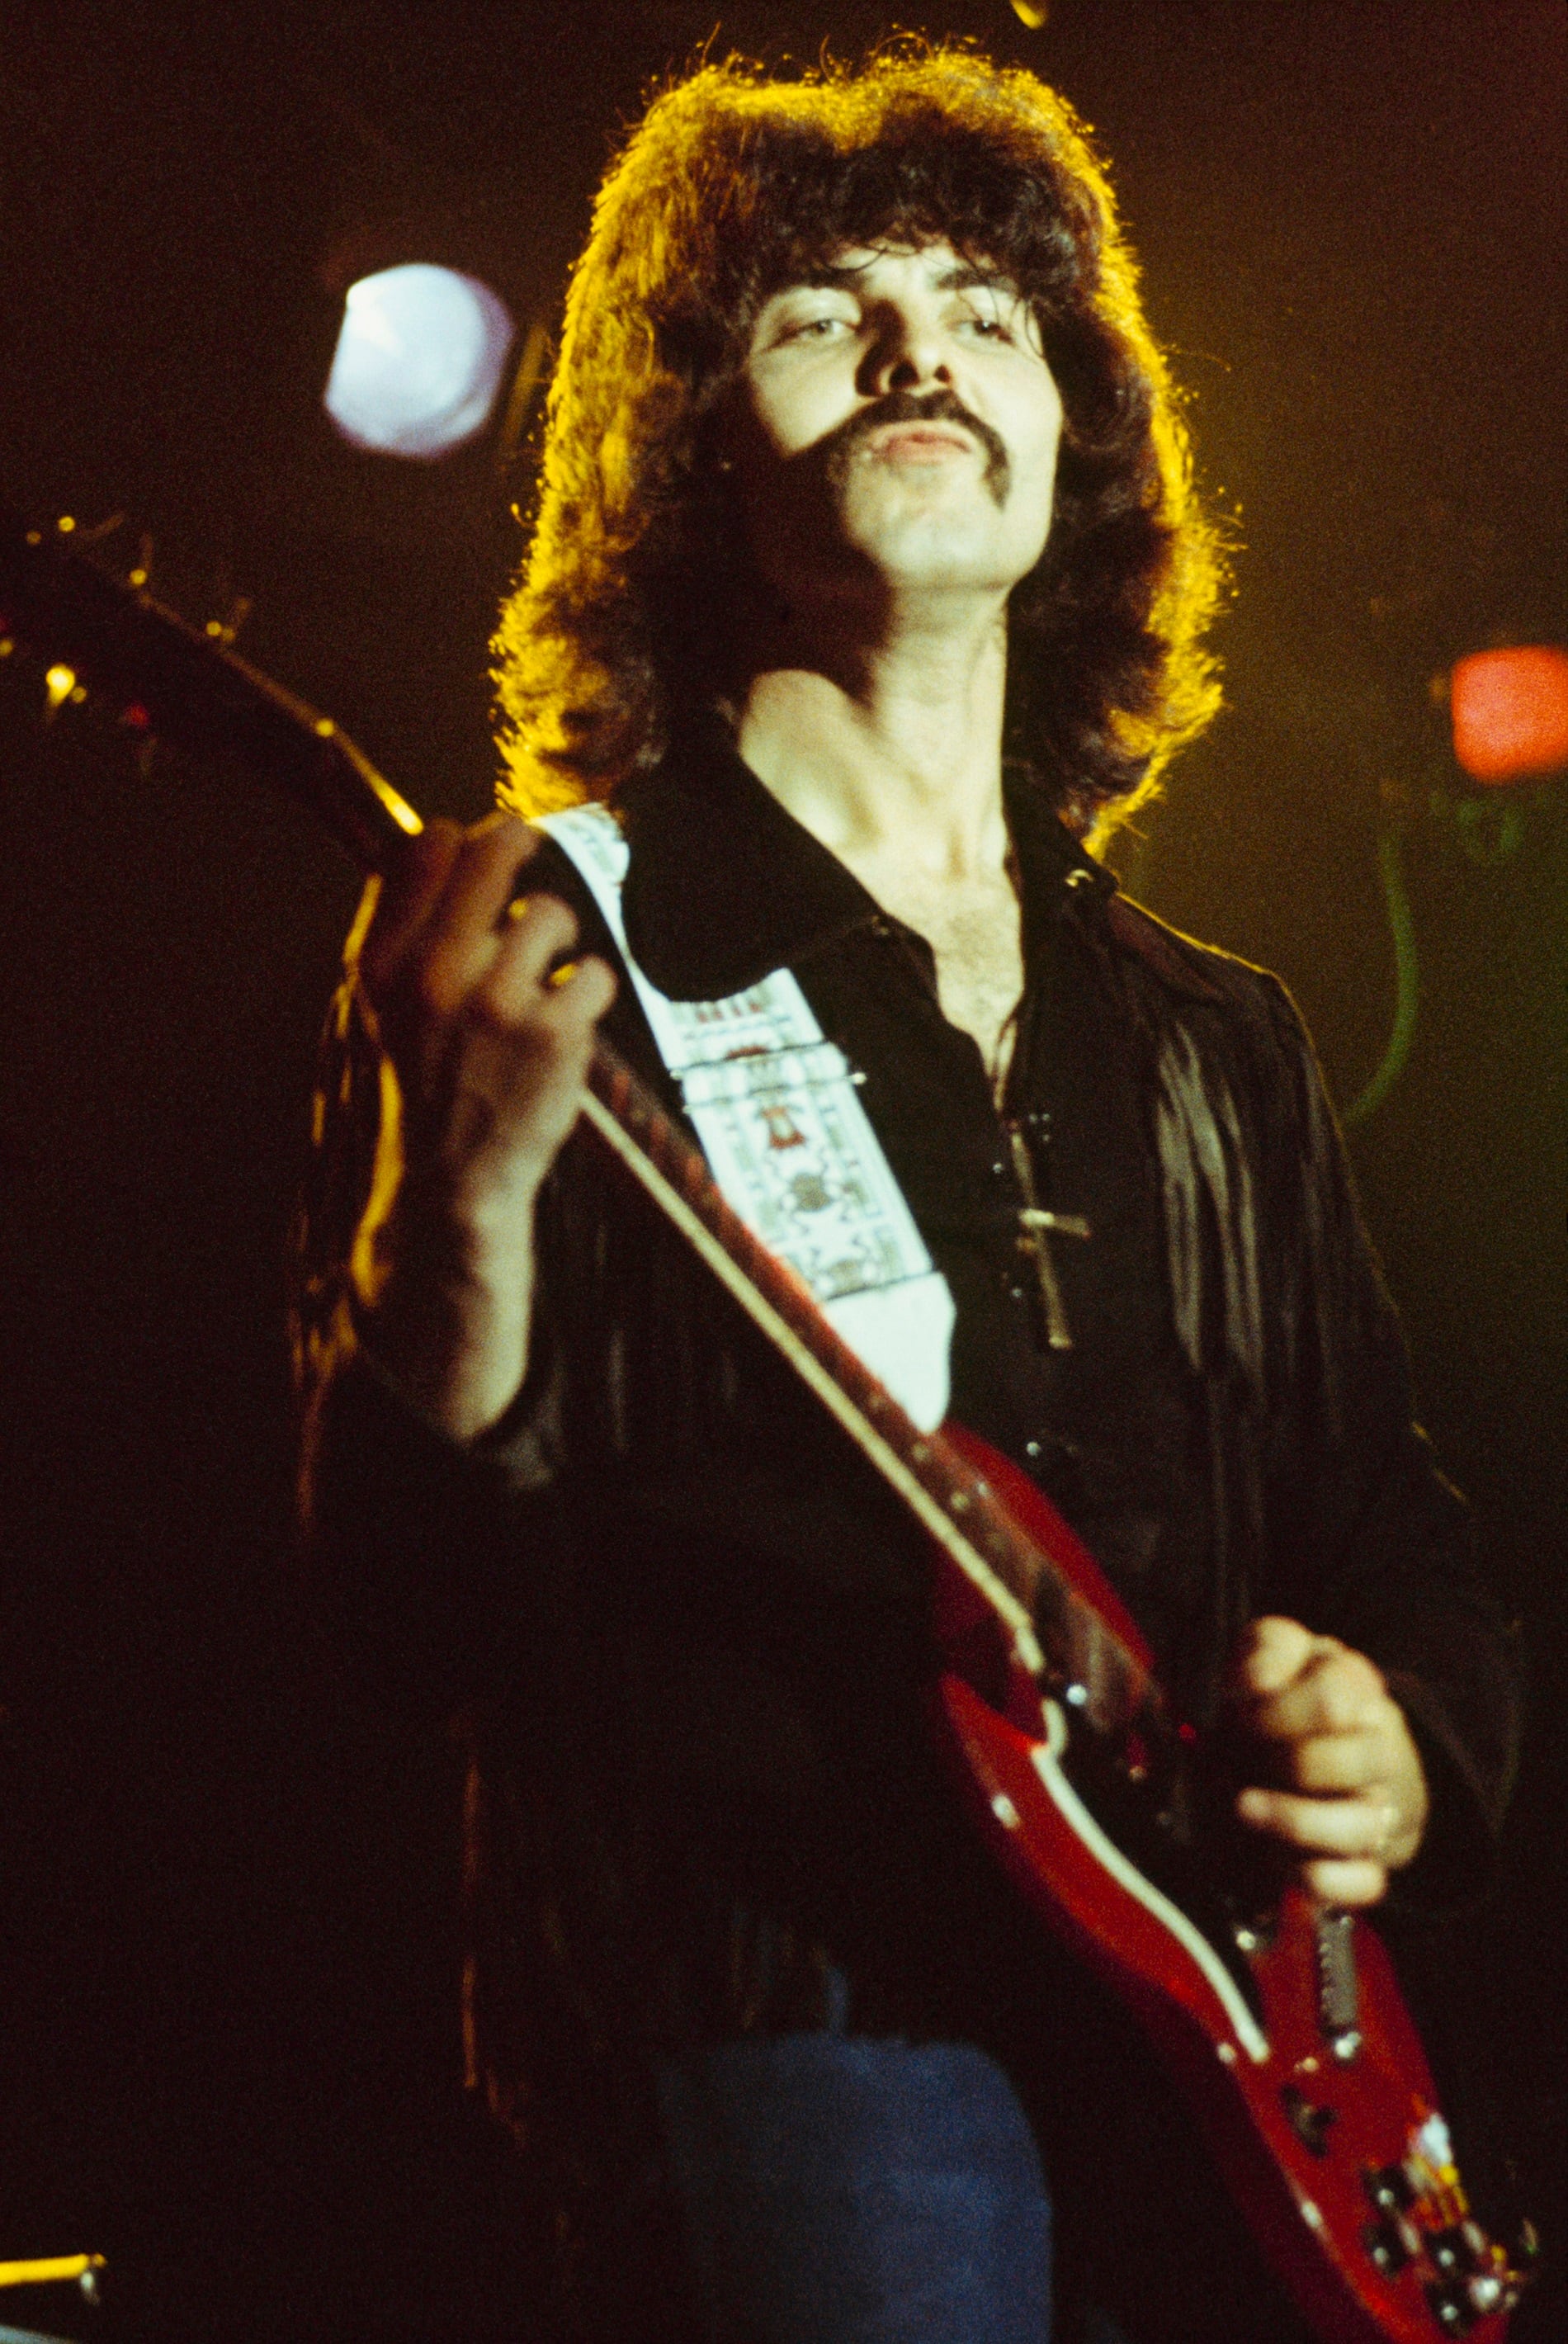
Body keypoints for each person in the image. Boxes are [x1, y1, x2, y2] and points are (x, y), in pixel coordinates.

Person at [294, 48, 1519, 2344]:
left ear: (1072, 434)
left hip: (1236, 2059)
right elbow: (397, 1620)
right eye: (813, 311)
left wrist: (1401, 1756)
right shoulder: (551, 955)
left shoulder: (1203, 1033)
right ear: (682, 462)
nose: (914, 346)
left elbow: (1393, 1533)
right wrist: (444, 1218)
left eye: (981, 305)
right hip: (800, 2019)